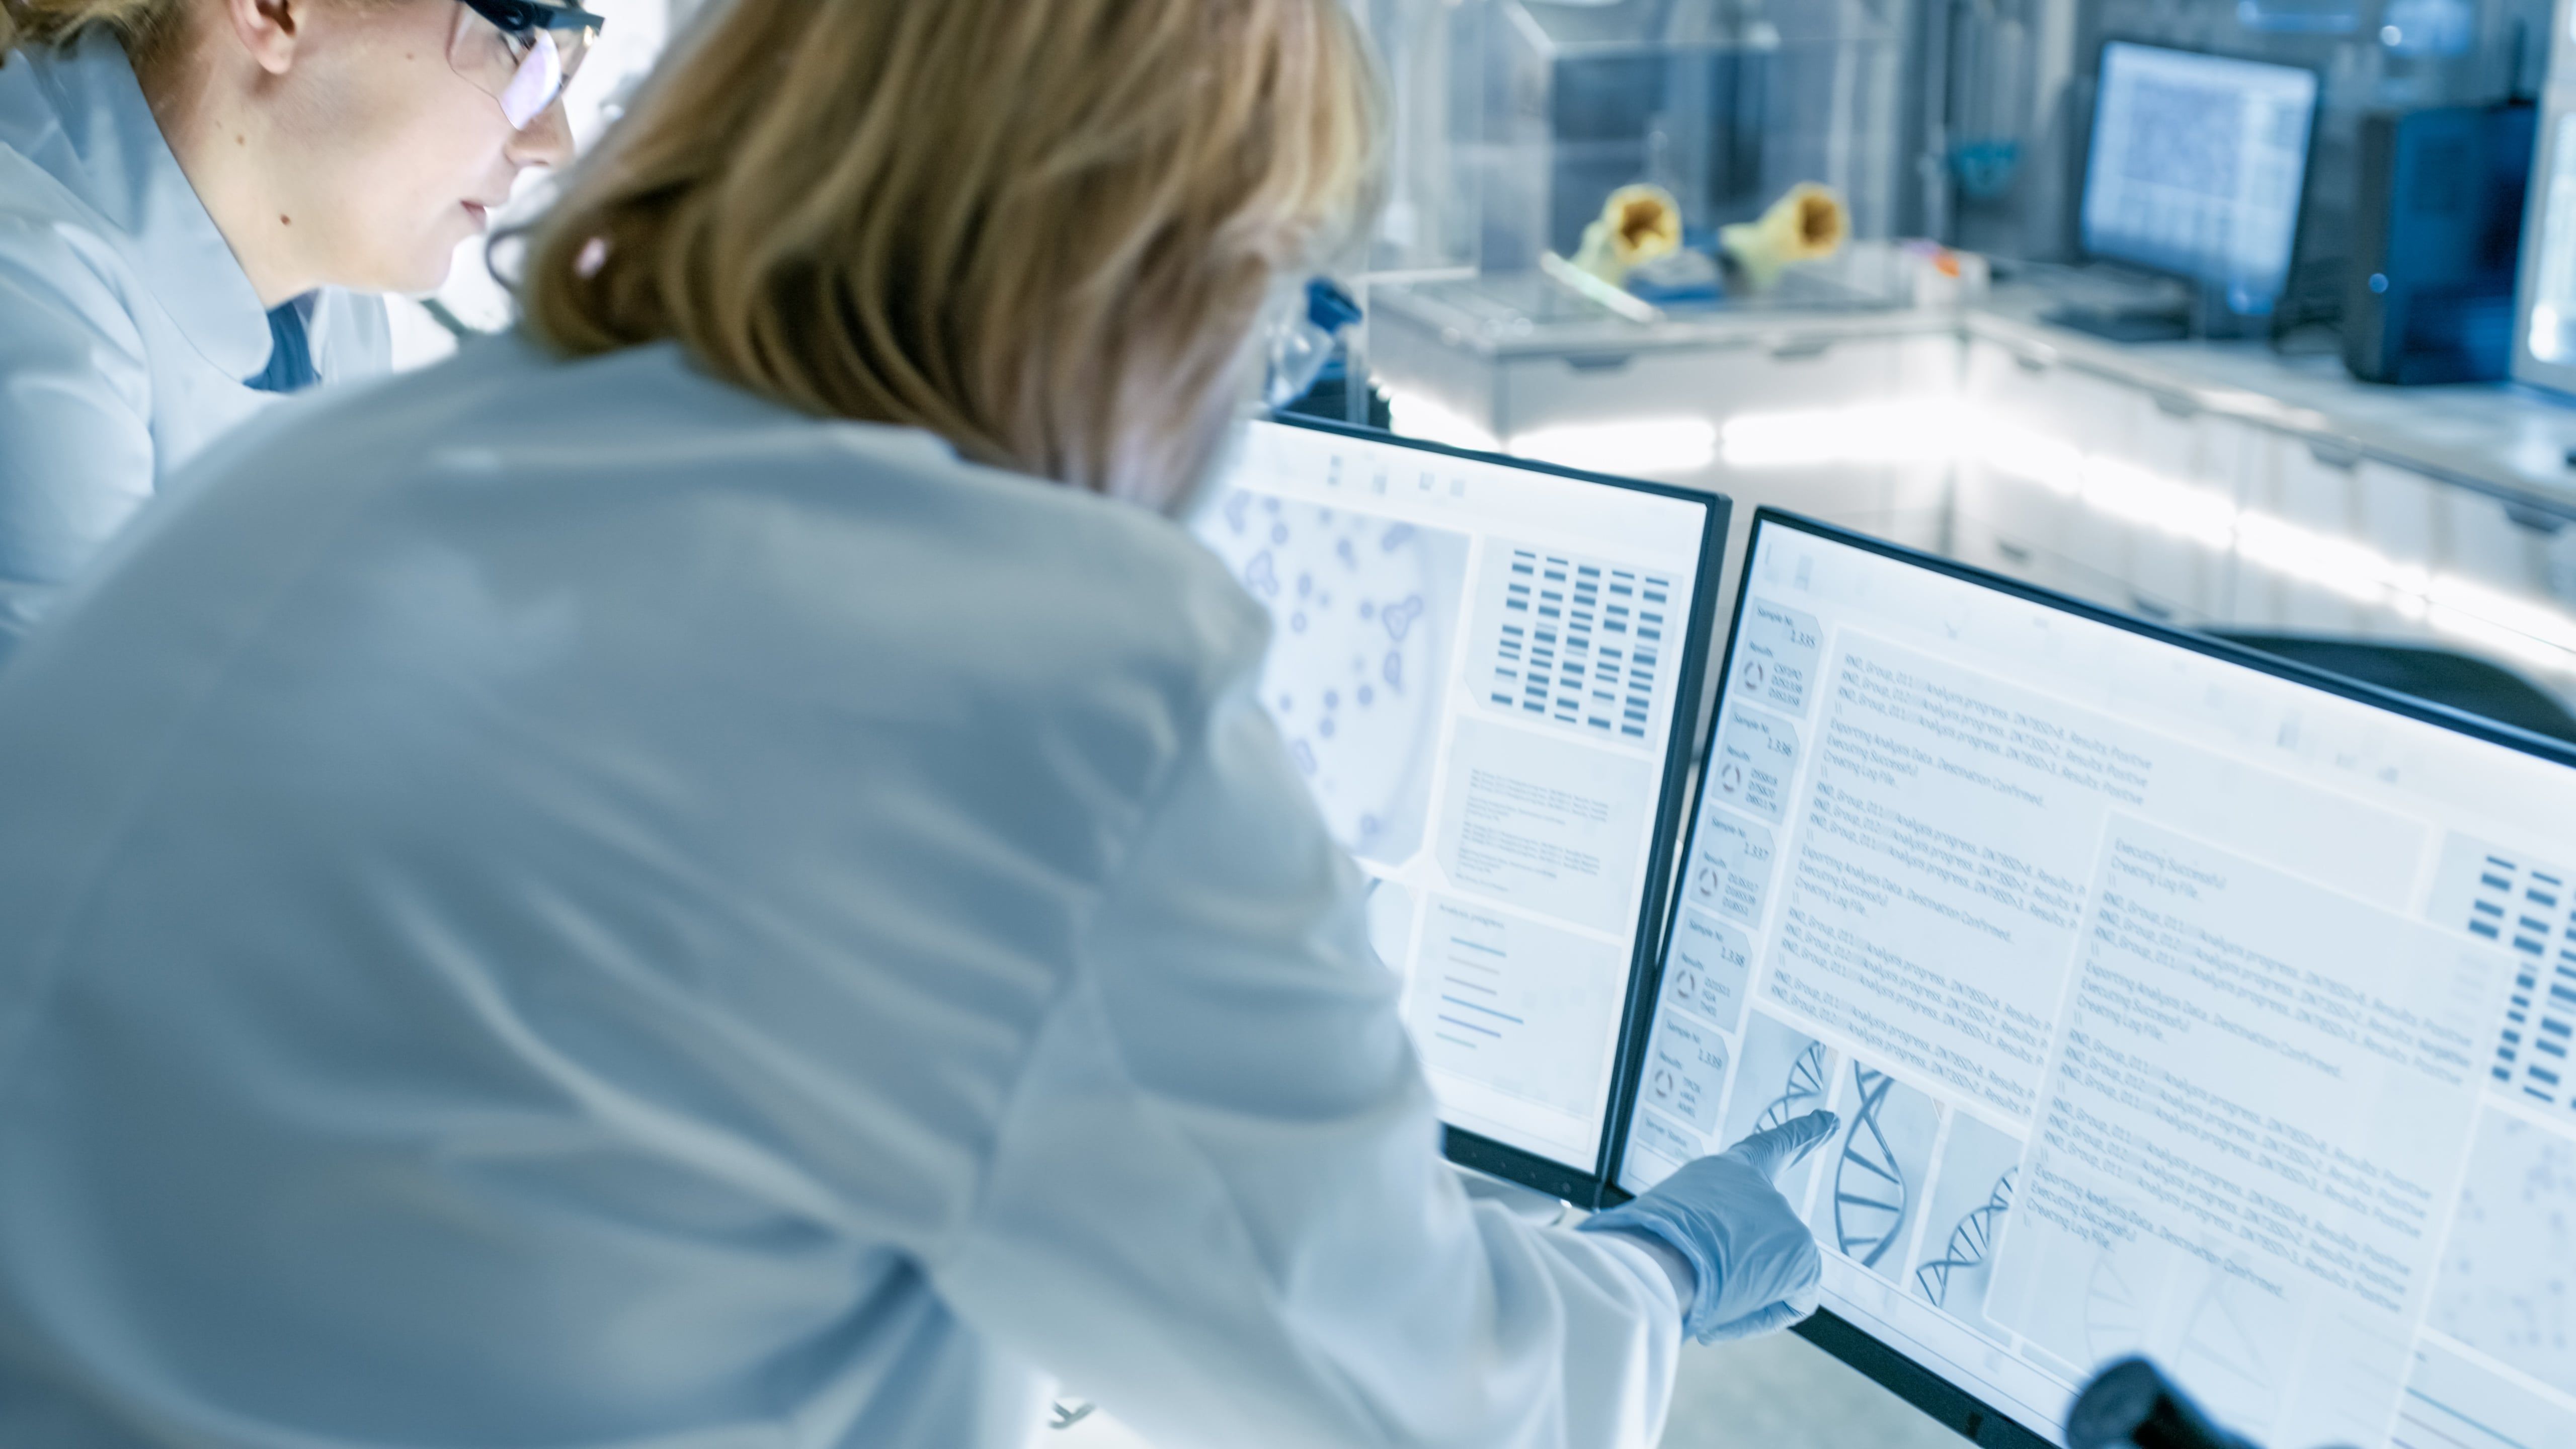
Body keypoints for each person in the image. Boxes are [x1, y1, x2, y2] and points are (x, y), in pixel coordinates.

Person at [0, 0, 1832, 1444]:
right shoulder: (1048, 668)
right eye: (1264, 302)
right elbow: (1437, 1395)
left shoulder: (361, 454)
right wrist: (1678, 1260)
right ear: (1143, 264)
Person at [0, 0, 587, 660]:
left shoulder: (330, 301)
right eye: (516, 37)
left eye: (562, 61)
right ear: (274, 11)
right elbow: (81, 749)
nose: (552, 143)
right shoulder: (26, 302)